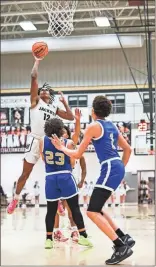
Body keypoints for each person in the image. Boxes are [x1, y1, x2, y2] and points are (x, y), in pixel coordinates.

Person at [52, 95, 135, 265]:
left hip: (110, 167)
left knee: (91, 212)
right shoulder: (111, 125)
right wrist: (121, 168)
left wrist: (60, 147)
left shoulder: (93, 127)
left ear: (93, 111)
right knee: (97, 208)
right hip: (116, 166)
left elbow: (76, 154)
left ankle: (120, 247)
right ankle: (123, 237)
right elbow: (128, 149)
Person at [7, 58, 74, 214]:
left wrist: (65, 103)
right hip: (35, 139)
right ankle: (15, 199)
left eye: (46, 90)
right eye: (41, 90)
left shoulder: (53, 106)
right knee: (26, 173)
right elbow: (33, 77)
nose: (44, 91)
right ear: (38, 94)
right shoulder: (35, 102)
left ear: (50, 95)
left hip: (49, 141)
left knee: (54, 173)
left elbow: (70, 117)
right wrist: (37, 61)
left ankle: (57, 201)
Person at [40, 118, 92, 249]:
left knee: (51, 211)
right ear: (60, 129)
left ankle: (48, 240)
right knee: (75, 208)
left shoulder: (41, 141)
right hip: (65, 176)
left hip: (50, 178)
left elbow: (44, 159)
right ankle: (83, 237)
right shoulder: (68, 143)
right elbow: (74, 158)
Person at [54, 120, 87, 243]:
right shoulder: (53, 144)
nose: (63, 135)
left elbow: (77, 133)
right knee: (55, 209)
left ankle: (74, 230)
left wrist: (78, 120)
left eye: (65, 133)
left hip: (68, 177)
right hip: (56, 176)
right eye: (60, 133)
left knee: (71, 209)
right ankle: (57, 232)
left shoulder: (71, 145)